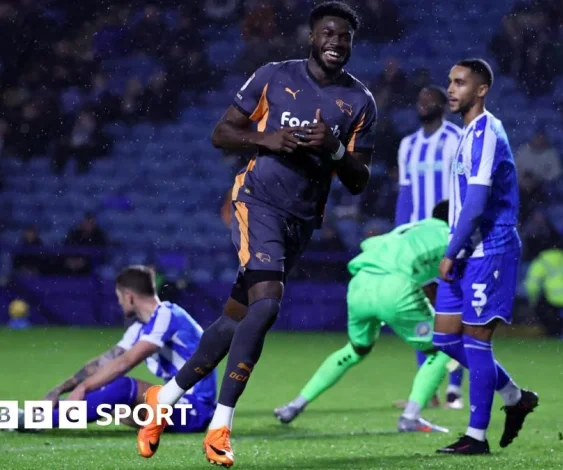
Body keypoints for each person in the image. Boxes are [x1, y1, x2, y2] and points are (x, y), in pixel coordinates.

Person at [135, 2, 377, 467]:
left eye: (345, 36)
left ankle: (161, 400)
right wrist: (265, 139)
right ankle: (220, 427)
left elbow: (359, 179)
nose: (336, 42)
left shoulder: (360, 101)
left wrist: (332, 151)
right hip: (256, 203)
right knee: (267, 305)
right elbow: (222, 132)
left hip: (301, 220)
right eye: (328, 33)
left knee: (234, 319)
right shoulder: (273, 76)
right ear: (312, 37)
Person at [432, 59, 538, 455]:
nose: (451, 89)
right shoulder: (466, 132)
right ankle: (514, 396)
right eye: (450, 81)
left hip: (488, 250)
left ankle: (476, 436)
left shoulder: (489, 132)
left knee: (477, 340)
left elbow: (475, 204)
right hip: (464, 251)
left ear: (481, 90)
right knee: (444, 338)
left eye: (460, 82)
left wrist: (450, 251)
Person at [274, 200, 453, 433]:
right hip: (394, 287)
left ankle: (294, 406)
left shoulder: (408, 229)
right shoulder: (450, 235)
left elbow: (370, 243)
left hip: (361, 283)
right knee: (442, 349)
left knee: (355, 349)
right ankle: (410, 417)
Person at [29, 266, 216, 432]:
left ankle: (32, 420)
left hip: (194, 410)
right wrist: (57, 390)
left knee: (124, 387)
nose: (119, 303)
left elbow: (125, 362)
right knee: (110, 398)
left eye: (119, 297)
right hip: (173, 406)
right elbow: (104, 362)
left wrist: (83, 387)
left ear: (129, 296)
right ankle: (39, 413)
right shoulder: (140, 328)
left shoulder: (168, 314)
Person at [395, 85, 465, 410]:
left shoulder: (455, 139)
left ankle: (454, 388)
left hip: (447, 240)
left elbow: (463, 192)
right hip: (416, 246)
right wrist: (399, 236)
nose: (423, 103)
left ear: (443, 105)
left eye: (430, 98)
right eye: (419, 98)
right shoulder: (407, 145)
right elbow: (405, 195)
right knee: (420, 317)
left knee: (450, 313)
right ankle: (429, 392)